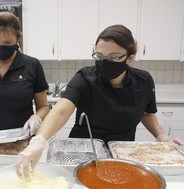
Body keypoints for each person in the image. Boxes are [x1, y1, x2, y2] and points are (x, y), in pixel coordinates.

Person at [16, 24, 184, 177]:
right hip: (83, 152)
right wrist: (38, 142)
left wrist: (161, 136)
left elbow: (146, 113)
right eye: (99, 55)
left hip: (121, 152)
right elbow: (61, 111)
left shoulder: (143, 81)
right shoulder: (85, 78)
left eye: (113, 57)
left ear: (129, 58)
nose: (104, 62)